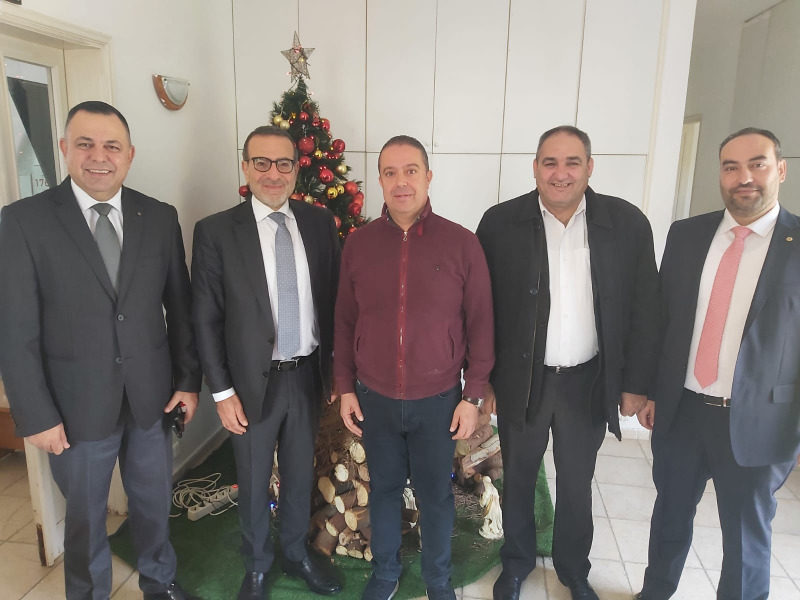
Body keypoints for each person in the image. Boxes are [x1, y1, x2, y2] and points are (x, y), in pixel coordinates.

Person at [0, 101, 202, 600]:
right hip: (73, 406)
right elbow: (14, 329)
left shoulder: (159, 216)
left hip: (151, 398)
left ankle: (160, 581)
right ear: (65, 149)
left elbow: (180, 307)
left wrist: (187, 380)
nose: (99, 157)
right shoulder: (23, 222)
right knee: (86, 518)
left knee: (153, 502)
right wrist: (35, 414)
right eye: (85, 144)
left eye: (112, 146)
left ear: (129, 155)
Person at [476, 126, 659, 600]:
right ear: (535, 167)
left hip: (587, 381)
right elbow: (480, 308)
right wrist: (483, 381)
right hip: (522, 381)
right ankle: (516, 564)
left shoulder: (626, 223)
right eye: (550, 163)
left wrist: (636, 382)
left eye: (572, 162)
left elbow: (646, 309)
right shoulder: (500, 223)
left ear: (589, 167)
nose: (560, 173)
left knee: (577, 483)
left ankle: (574, 570)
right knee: (519, 478)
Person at [635, 128, 800, 600]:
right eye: (731, 167)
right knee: (669, 516)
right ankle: (655, 593)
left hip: (761, 420)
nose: (744, 177)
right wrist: (650, 390)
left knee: (746, 536)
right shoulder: (687, 234)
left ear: (780, 169)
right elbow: (662, 318)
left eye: (757, 164)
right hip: (682, 411)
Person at [335, 135, 494, 600]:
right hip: (375, 397)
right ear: (380, 180)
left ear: (428, 177)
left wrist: (473, 394)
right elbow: (344, 320)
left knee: (435, 495)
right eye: (390, 172)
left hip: (439, 400)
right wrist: (345, 386)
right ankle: (386, 573)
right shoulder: (359, 244)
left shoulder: (462, 243)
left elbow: (481, 324)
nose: (401, 182)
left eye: (410, 171)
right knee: (384, 491)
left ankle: (438, 579)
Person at [191, 126, 342, 600]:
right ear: (245, 167)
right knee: (255, 481)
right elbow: (206, 318)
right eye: (261, 162)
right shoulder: (216, 232)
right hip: (250, 385)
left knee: (299, 475)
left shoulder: (319, 223)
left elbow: (335, 301)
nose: (272, 174)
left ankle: (295, 554)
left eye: (283, 163)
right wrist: (221, 392)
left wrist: (336, 372)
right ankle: (257, 565)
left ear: (296, 169)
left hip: (307, 376)